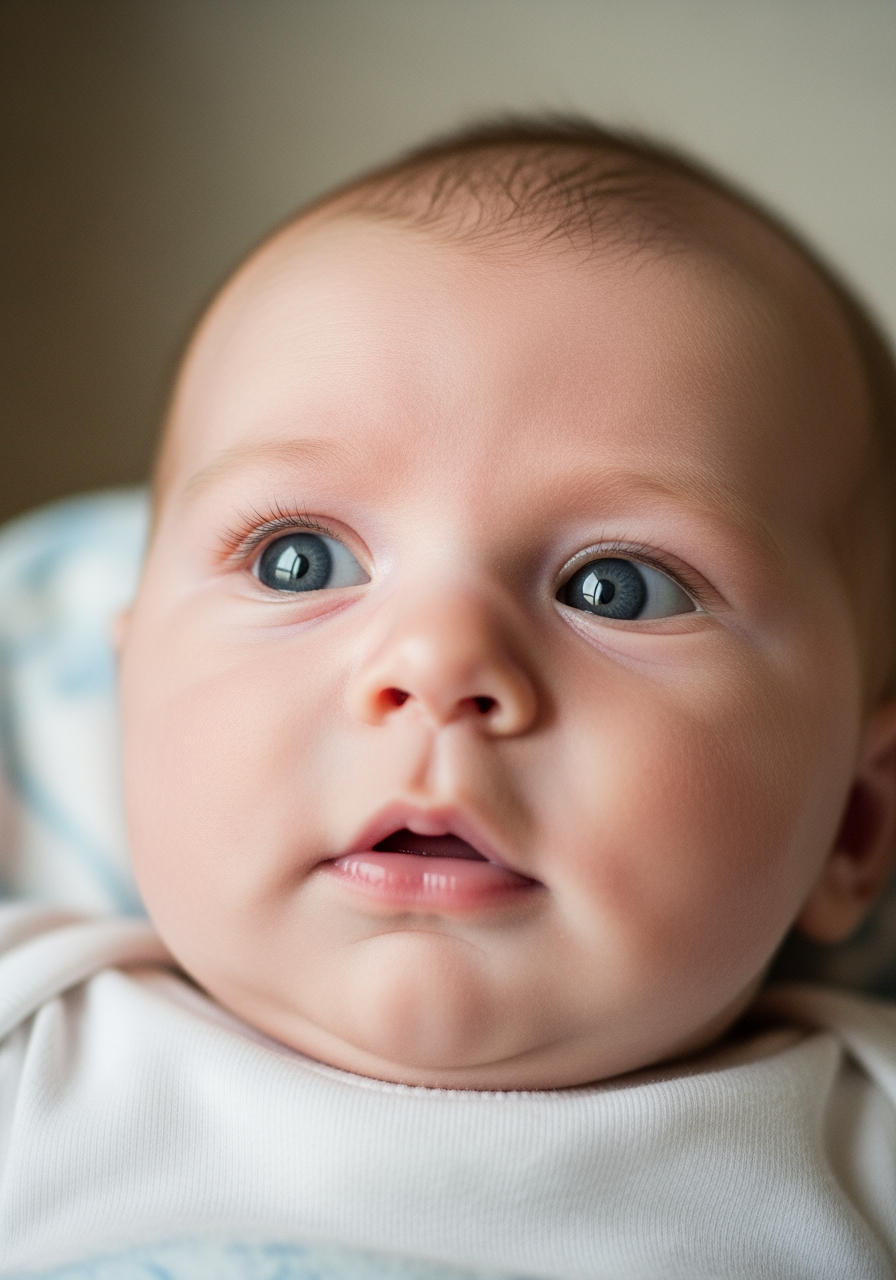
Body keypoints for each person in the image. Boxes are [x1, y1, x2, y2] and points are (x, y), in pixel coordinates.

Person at [3, 118, 896, 1278]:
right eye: (298, 561)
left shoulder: (860, 1152)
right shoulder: (31, 1049)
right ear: (127, 703)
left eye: (615, 587)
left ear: (853, 822)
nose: (438, 662)